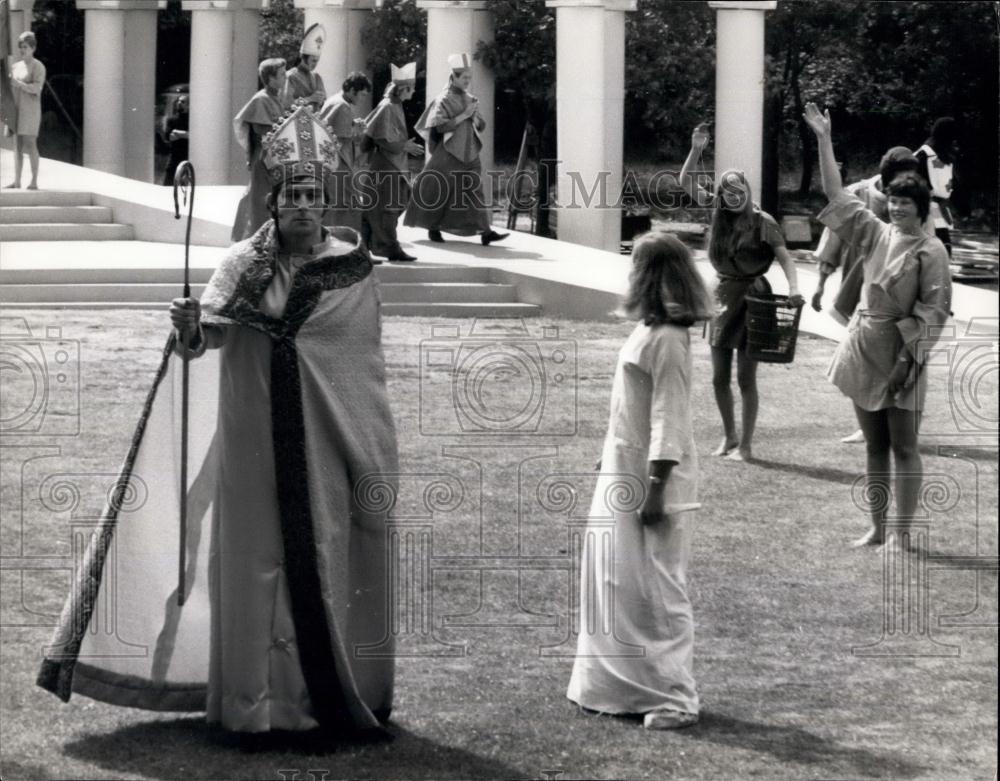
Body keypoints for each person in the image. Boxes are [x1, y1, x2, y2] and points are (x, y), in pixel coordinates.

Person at [38, 104, 399, 739]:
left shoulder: (352, 270)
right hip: (252, 441)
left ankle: (317, 700)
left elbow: (357, 366)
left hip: (324, 445)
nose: (304, 207)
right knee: (253, 562)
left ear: (326, 202)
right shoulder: (240, 264)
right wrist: (188, 327)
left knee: (319, 555)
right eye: (293, 196)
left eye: (313, 196)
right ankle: (251, 704)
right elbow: (203, 343)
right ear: (274, 203)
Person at [567, 230, 713, 731]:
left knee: (657, 586)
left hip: (652, 477)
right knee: (617, 580)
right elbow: (629, 408)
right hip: (623, 468)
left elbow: (669, 419)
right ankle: (617, 687)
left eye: (636, 265)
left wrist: (655, 489)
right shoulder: (648, 330)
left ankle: (675, 698)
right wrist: (609, 459)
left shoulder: (669, 339)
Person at [803, 102, 952, 549]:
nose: (898, 208)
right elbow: (836, 195)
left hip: (903, 354)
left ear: (922, 209)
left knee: (904, 445)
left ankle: (901, 533)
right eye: (894, 202)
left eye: (907, 203)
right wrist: (824, 139)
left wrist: (907, 361)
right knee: (873, 445)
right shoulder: (875, 231)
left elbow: (933, 314)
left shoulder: (931, 251)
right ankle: (877, 527)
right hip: (864, 346)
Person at [678, 123, 804, 462]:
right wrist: (696, 149)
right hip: (721, 296)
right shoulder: (718, 212)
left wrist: (794, 288)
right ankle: (729, 435)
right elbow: (685, 182)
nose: (735, 197)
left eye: (740, 191)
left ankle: (746, 445)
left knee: (746, 378)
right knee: (718, 377)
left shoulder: (764, 221)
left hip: (754, 298)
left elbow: (785, 259)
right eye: (729, 192)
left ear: (748, 191)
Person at [811, 146, 929, 445]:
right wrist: (821, 282)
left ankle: (896, 424)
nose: (900, 205)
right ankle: (871, 424)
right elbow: (835, 209)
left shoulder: (925, 228)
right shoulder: (863, 199)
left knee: (900, 362)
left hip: (903, 299)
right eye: (896, 198)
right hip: (863, 285)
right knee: (865, 358)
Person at [404, 52, 507, 246]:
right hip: (449, 151)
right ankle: (433, 227)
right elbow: (440, 127)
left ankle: (486, 232)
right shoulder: (443, 99)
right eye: (465, 77)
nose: (468, 81)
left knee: (475, 191)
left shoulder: (471, 98)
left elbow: (481, 125)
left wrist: (475, 118)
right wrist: (464, 115)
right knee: (440, 189)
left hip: (470, 151)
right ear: (455, 77)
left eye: (469, 77)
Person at [362, 62, 424, 262]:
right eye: (411, 88)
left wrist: (404, 146)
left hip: (394, 163)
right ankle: (389, 247)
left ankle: (378, 245)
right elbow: (381, 138)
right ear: (403, 89)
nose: (413, 92)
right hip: (386, 164)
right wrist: (404, 146)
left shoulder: (394, 104)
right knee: (387, 208)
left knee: (395, 203)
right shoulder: (387, 106)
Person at [231, 58, 289, 242]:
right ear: (270, 79)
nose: (285, 77)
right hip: (264, 160)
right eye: (281, 74)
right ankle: (256, 241)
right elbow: (262, 131)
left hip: (274, 160)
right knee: (261, 202)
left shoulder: (275, 99)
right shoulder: (261, 99)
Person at [319, 71, 372, 234]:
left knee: (335, 205)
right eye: (362, 95)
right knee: (349, 206)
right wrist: (357, 130)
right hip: (339, 164)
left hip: (329, 163)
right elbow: (342, 139)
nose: (362, 99)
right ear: (352, 90)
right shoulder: (343, 106)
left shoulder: (334, 100)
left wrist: (352, 124)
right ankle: (351, 242)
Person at [5, 31, 46, 190]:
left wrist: (19, 84)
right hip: (16, 110)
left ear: (33, 48)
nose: (23, 50)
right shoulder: (15, 66)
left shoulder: (38, 66)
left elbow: (37, 88)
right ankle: (17, 181)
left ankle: (34, 181)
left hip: (30, 111)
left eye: (26, 47)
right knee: (17, 146)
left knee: (30, 144)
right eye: (21, 47)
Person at [915, 117, 957, 257]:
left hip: (939, 207)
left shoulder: (943, 153)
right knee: (938, 248)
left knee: (943, 248)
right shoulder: (924, 154)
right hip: (926, 206)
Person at [286, 23, 327, 111]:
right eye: (313, 61)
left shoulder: (317, 77)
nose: (315, 64)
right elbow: (286, 105)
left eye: (317, 61)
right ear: (303, 57)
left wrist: (321, 101)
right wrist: (310, 99)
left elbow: (324, 104)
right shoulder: (290, 76)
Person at [162, 94, 190, 186]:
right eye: (178, 101)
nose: (179, 103)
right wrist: (185, 134)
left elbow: (193, 135)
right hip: (174, 156)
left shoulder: (191, 120)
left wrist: (176, 132)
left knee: (185, 185)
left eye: (183, 102)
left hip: (187, 156)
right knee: (168, 183)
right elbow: (168, 137)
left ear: (188, 105)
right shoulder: (172, 120)